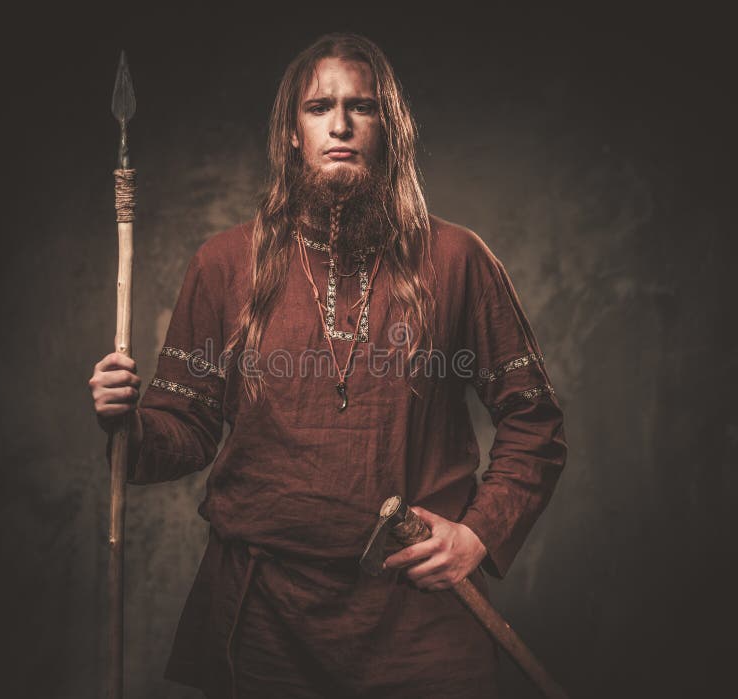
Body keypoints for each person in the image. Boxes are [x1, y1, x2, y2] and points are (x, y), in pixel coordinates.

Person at [89, 33, 567, 699]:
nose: (339, 124)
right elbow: (185, 427)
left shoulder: (457, 259)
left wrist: (478, 533)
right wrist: (129, 423)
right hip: (265, 621)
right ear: (291, 132)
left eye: (361, 107)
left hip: (418, 623)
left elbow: (534, 423)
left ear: (389, 128)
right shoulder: (225, 263)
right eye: (319, 107)